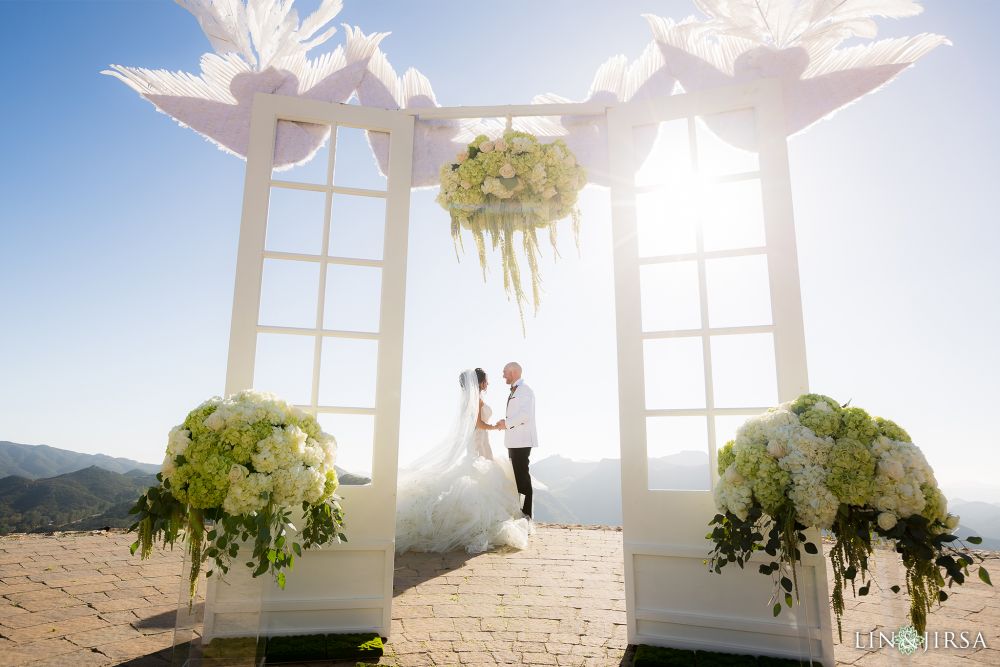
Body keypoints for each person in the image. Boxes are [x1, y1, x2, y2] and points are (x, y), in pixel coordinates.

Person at [395, 368, 531, 554]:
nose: (489, 384)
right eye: (487, 381)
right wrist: (495, 427)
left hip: (482, 443)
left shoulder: (473, 400)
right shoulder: (475, 401)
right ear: (480, 383)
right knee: (484, 479)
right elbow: (478, 424)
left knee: (488, 477)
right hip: (478, 443)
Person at [496, 362, 536, 519]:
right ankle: (521, 514)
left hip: (521, 442)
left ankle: (526, 516)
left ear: (513, 372)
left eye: (504, 371)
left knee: (522, 479)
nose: (503, 375)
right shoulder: (516, 390)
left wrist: (505, 424)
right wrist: (504, 423)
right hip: (514, 442)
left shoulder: (525, 390)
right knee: (518, 480)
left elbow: (525, 416)